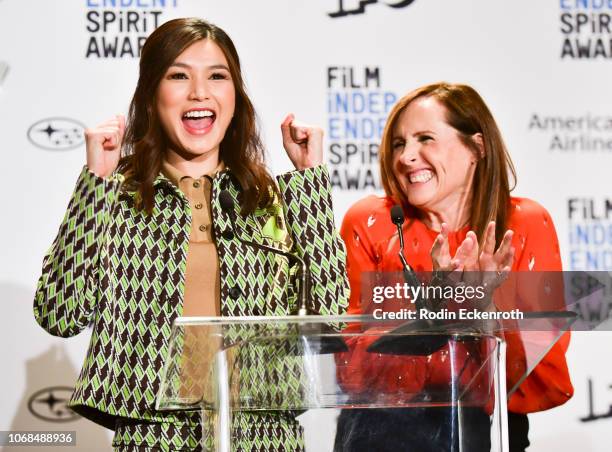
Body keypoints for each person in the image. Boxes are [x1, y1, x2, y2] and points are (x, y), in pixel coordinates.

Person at [34, 18, 349, 451]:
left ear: (235, 98)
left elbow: (330, 314)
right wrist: (94, 184)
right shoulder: (118, 197)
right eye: (179, 75)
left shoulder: (267, 198)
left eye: (217, 77)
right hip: (152, 433)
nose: (199, 92)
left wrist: (310, 180)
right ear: (151, 97)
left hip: (263, 433)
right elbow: (59, 312)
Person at [335, 82, 573, 452]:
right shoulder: (370, 222)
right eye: (399, 144)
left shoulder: (523, 224)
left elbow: (538, 373)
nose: (406, 156)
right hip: (379, 435)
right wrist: (442, 306)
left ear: (476, 147)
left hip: (485, 433)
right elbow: (350, 368)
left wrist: (482, 309)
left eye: (425, 138)